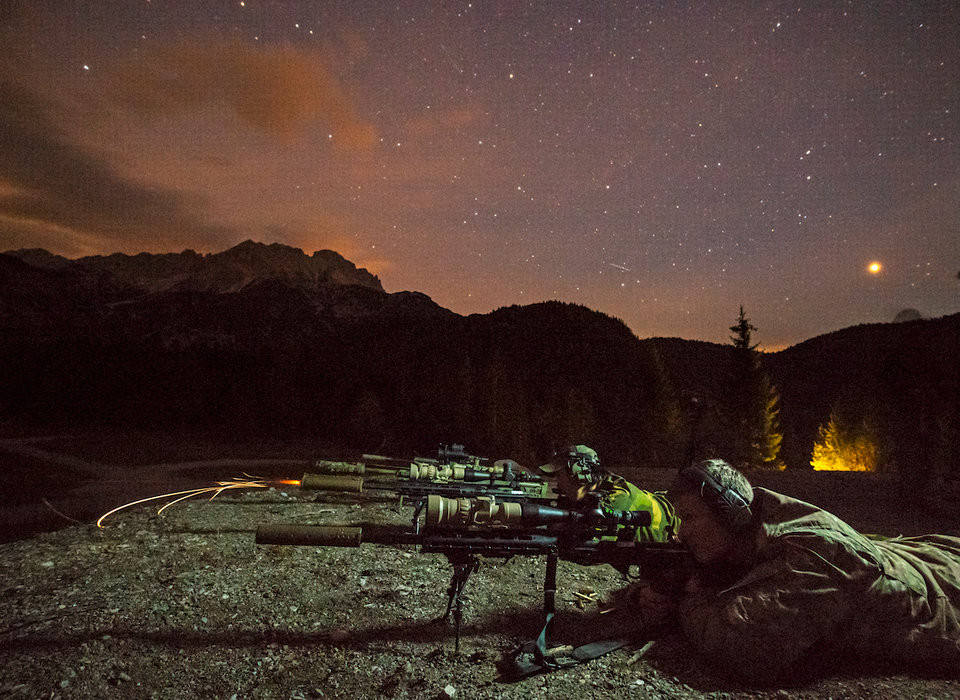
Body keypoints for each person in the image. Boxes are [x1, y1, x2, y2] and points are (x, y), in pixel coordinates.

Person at [633, 458, 960, 680]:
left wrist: (686, 598)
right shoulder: (754, 522)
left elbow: (738, 643)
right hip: (921, 552)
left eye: (690, 518)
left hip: (948, 596)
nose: (681, 533)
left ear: (730, 512)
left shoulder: (816, 558)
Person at [537, 444, 679, 544]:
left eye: (559, 476)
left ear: (578, 474)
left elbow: (592, 541)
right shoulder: (594, 491)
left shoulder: (618, 497)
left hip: (676, 530)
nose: (557, 483)